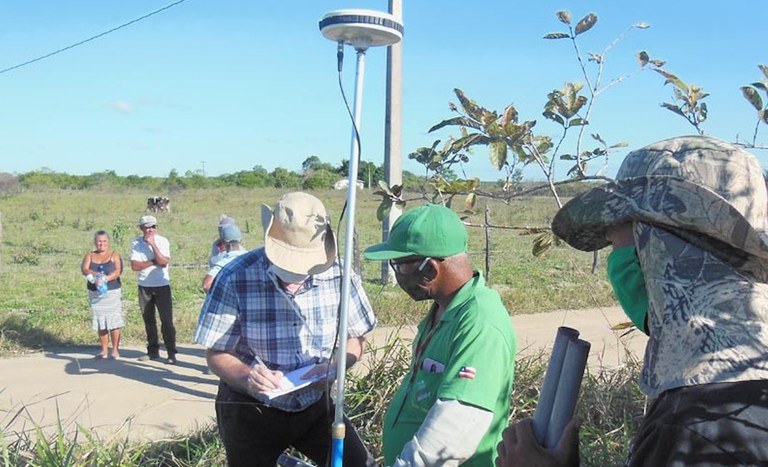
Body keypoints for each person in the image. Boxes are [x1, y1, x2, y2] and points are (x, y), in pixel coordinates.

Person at [497, 135, 768, 466]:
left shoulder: (694, 424)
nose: (616, 261)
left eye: (617, 243)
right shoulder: (743, 384)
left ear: (659, 251)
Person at [194, 191, 377, 467]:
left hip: (317, 404)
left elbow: (357, 340)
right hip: (250, 409)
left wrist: (335, 366)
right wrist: (247, 377)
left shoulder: (341, 275)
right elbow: (217, 353)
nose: (295, 277)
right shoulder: (235, 277)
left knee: (358, 464)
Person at [363, 203, 517, 467]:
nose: (397, 276)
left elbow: (459, 420)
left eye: (398, 266)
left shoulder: (480, 321)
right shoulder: (444, 310)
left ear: (430, 269)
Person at [130, 215, 177, 364]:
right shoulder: (136, 243)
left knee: (167, 321)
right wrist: (152, 261)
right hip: (144, 285)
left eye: (153, 227)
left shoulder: (163, 241)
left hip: (162, 284)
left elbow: (163, 262)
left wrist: (153, 246)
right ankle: (153, 351)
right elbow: (135, 266)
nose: (150, 230)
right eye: (147, 227)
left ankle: (171, 352)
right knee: (148, 319)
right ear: (141, 228)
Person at [80, 230, 124, 360]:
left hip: (112, 292)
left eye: (104, 241)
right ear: (95, 242)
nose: (102, 243)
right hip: (95, 293)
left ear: (108, 241)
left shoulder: (114, 255)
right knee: (101, 321)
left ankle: (115, 350)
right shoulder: (90, 255)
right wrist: (96, 276)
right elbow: (84, 269)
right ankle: (104, 350)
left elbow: (118, 271)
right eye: (99, 241)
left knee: (113, 320)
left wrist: (106, 278)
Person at [202, 221, 247, 293]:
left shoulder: (224, 263)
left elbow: (206, 285)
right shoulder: (251, 258)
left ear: (222, 242)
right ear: (241, 240)